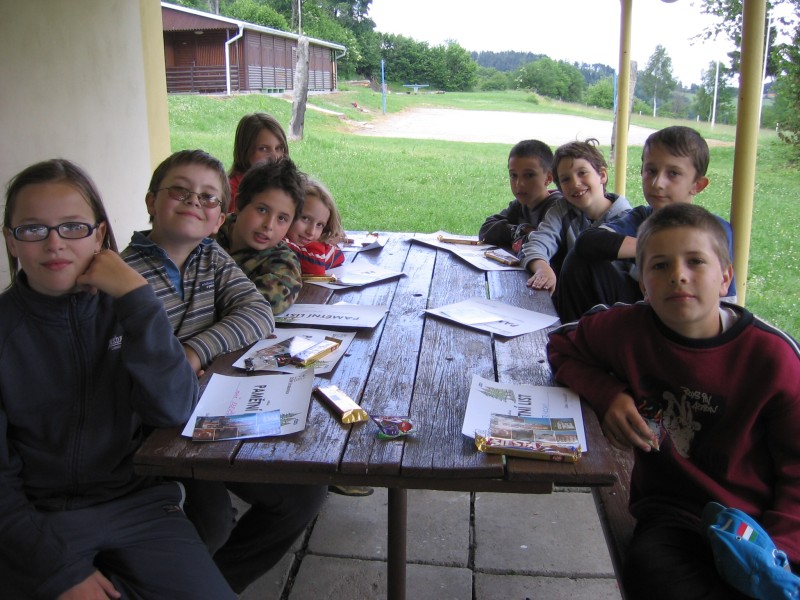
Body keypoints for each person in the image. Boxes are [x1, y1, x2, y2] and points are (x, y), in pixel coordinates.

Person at [0, 159, 236, 599]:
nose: (55, 243)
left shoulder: (127, 308)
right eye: (33, 229)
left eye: (73, 227)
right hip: (37, 522)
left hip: (138, 505)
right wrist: (57, 571)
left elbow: (174, 408)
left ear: (100, 235)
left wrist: (139, 300)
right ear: (11, 241)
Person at [547, 203, 800, 600]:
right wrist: (608, 394)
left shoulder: (772, 357)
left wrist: (781, 550)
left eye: (695, 261)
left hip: (758, 521)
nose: (678, 275)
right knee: (651, 574)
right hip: (674, 513)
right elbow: (562, 345)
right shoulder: (627, 329)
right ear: (643, 285)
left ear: (725, 277)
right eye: (660, 265)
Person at [122, 149, 327, 593]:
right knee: (211, 521)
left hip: (204, 407)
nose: (194, 202)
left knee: (304, 492)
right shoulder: (125, 274)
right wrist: (181, 366)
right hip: (152, 428)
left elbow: (257, 311)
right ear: (151, 200)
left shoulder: (208, 256)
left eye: (208, 197)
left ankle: (216, 586)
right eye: (180, 191)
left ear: (219, 216)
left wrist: (193, 352)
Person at [556, 125, 737, 323]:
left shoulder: (714, 230)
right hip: (643, 309)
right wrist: (652, 249)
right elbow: (588, 241)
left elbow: (727, 303)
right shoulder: (640, 218)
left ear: (697, 185)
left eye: (673, 173)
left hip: (687, 313)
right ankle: (575, 334)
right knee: (578, 260)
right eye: (651, 171)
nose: (657, 183)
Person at [518, 138, 631, 307]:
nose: (575, 184)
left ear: (602, 175)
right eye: (565, 179)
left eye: (582, 173)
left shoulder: (628, 219)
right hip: (574, 301)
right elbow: (539, 241)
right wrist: (542, 267)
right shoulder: (562, 210)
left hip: (614, 306)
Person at [216, 157, 304, 315]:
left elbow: (268, 301)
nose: (269, 225)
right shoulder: (210, 231)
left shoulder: (283, 260)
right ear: (239, 204)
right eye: (262, 210)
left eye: (281, 218)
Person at [478, 139, 562, 253]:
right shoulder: (520, 205)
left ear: (548, 178)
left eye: (529, 175)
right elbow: (486, 229)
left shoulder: (557, 209)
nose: (519, 183)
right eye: (513, 175)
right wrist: (520, 230)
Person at [285, 176, 346, 276]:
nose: (311, 232)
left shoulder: (311, 245)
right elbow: (315, 267)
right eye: (305, 218)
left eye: (319, 225)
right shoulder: (279, 241)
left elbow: (337, 256)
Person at [228, 112, 289, 211]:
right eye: (263, 149)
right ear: (245, 151)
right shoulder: (232, 192)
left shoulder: (289, 187)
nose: (274, 156)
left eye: (279, 148)